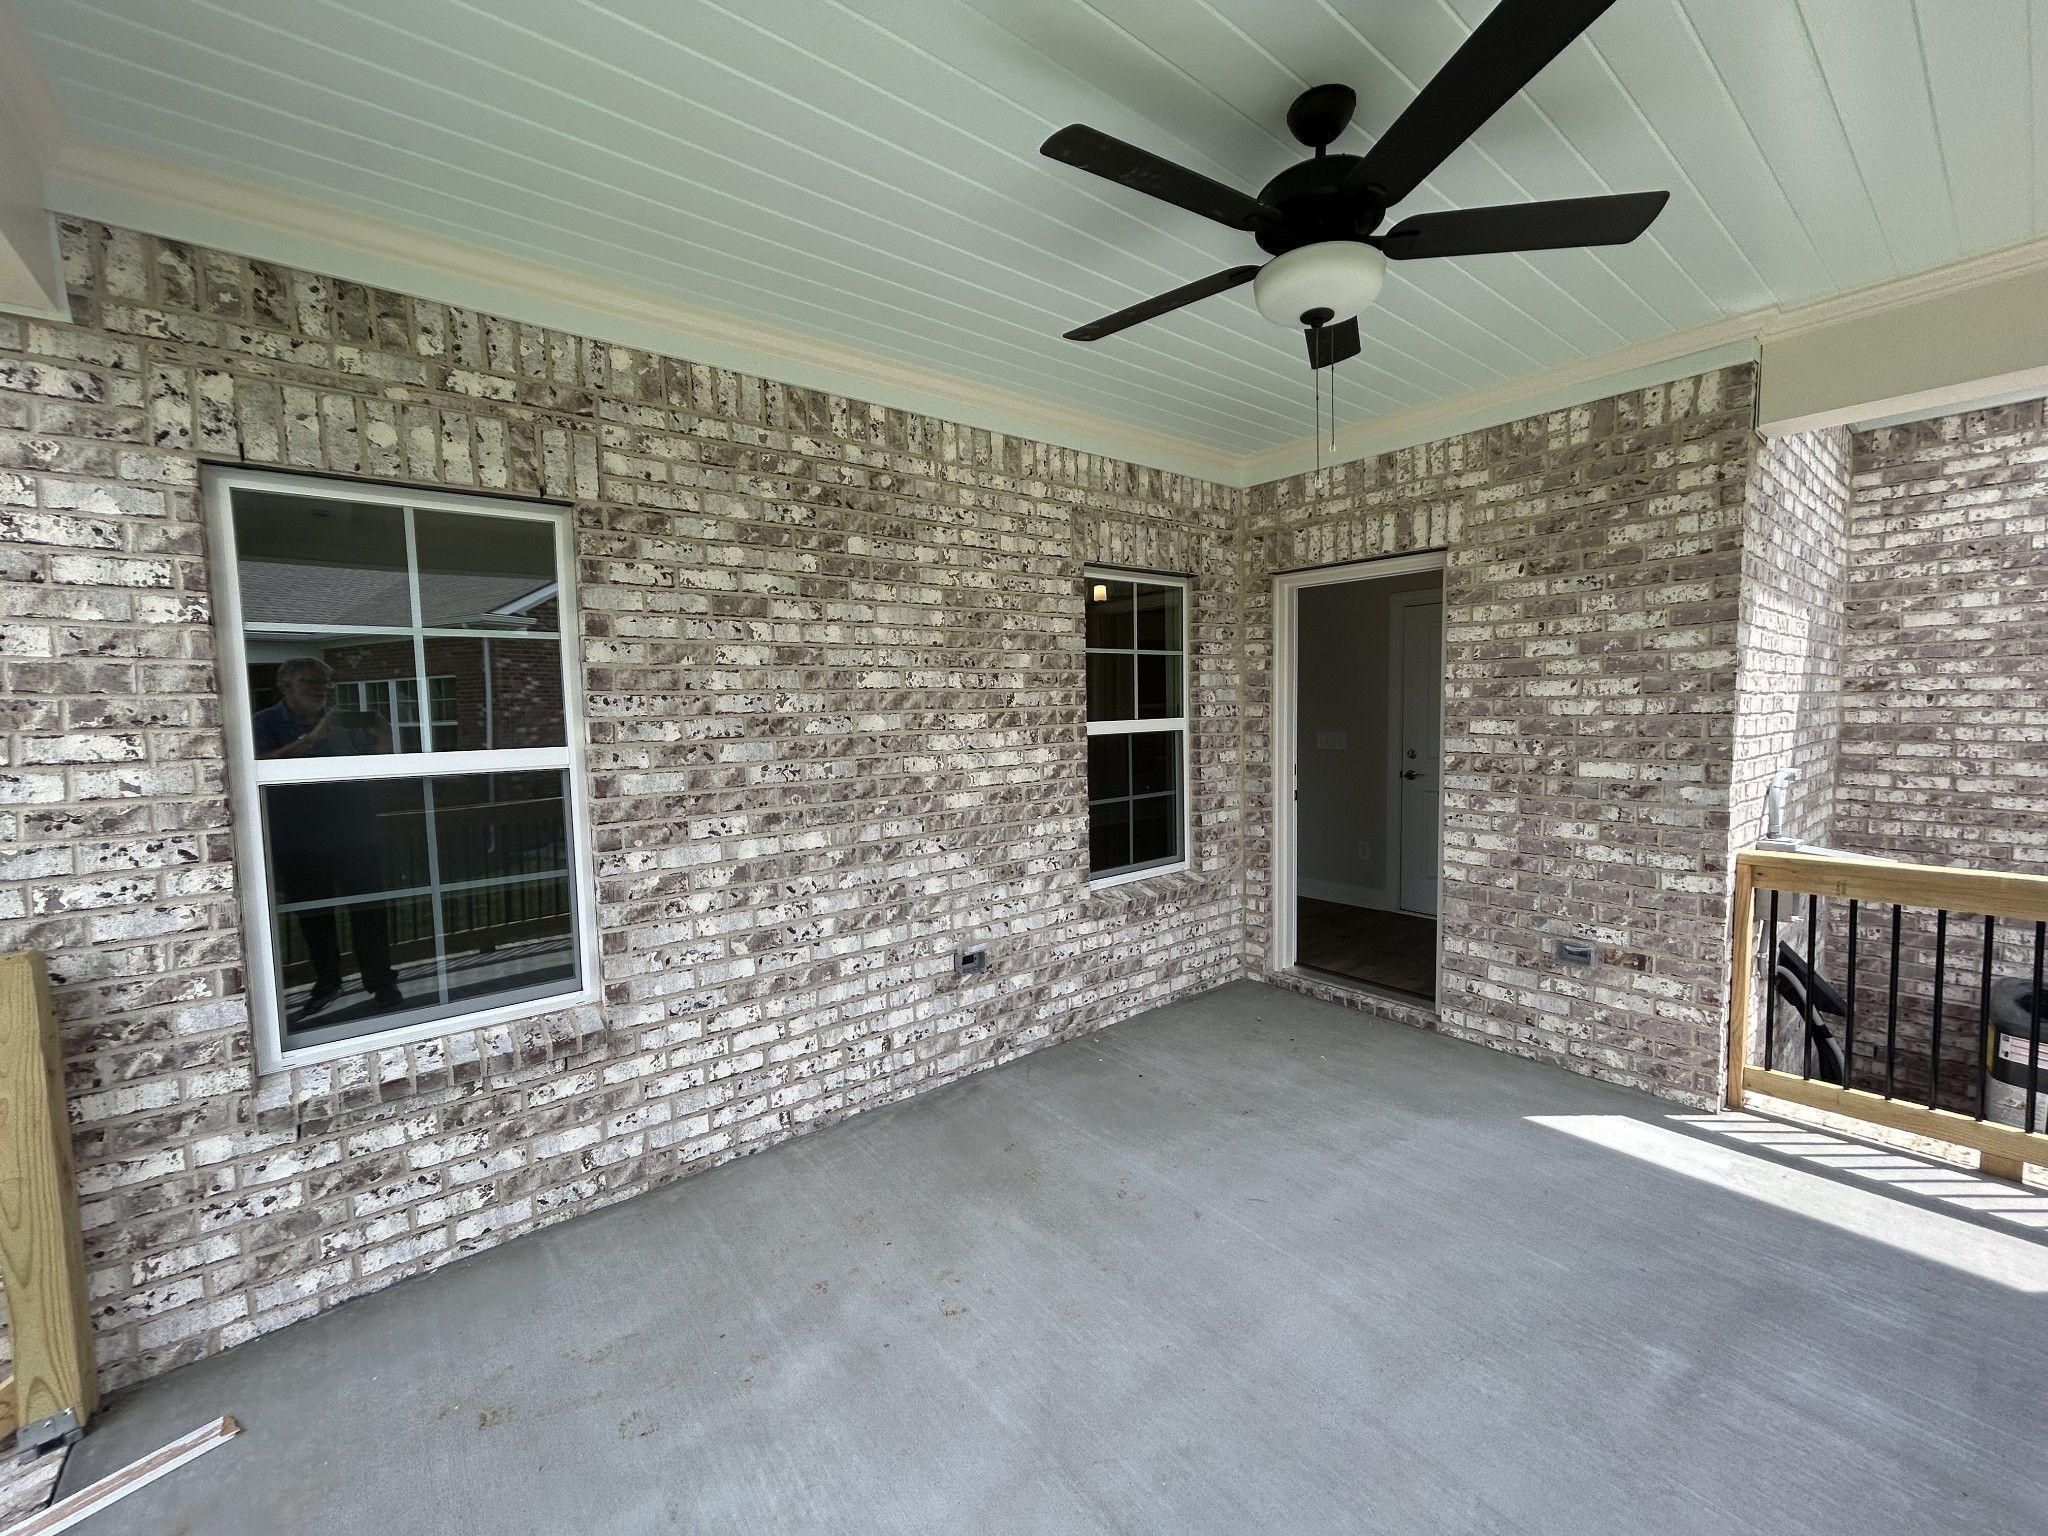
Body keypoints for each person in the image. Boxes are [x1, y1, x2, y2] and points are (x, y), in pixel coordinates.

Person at [253, 658, 404, 1022]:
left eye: (327, 683)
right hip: (298, 840)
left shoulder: (343, 725)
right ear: (286, 687)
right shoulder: (266, 723)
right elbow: (261, 764)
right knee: (315, 918)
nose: (323, 689)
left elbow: (380, 771)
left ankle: (381, 982)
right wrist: (312, 739)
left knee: (369, 912)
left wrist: (384, 736)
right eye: (312, 682)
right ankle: (327, 983)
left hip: (355, 834)